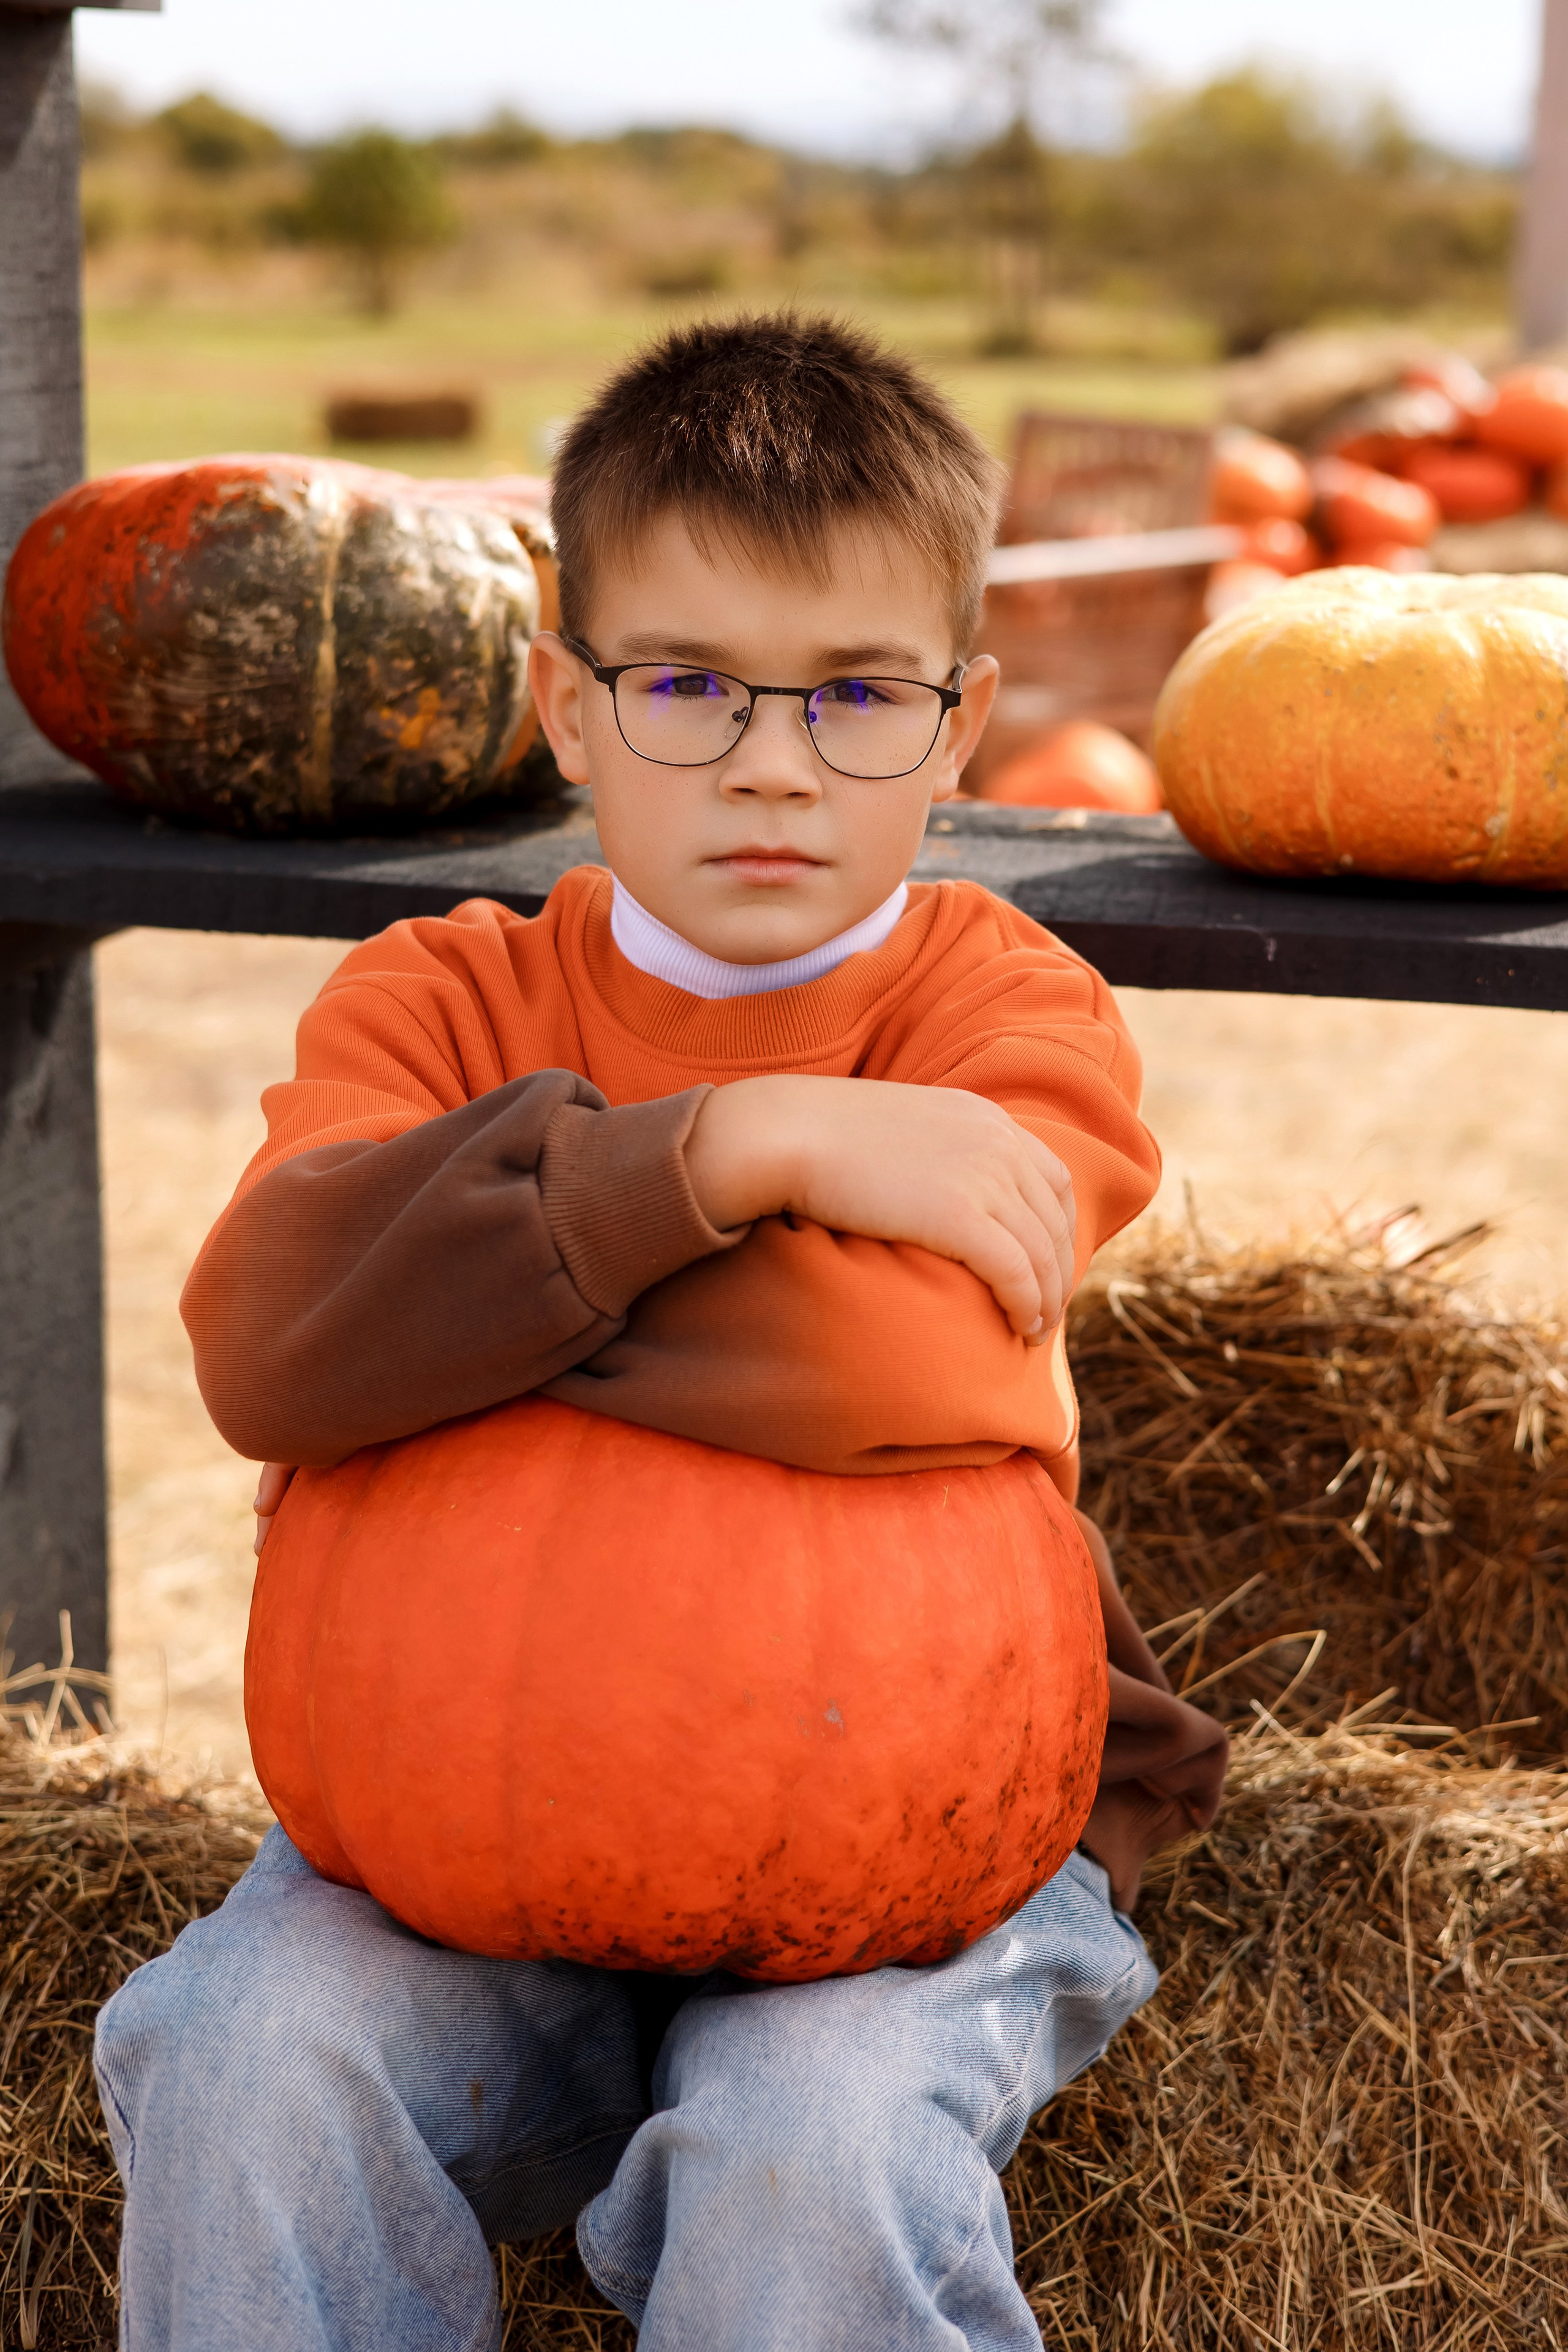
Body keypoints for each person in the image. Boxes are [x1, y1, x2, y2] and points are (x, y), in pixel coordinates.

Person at [95, 314, 1227, 2352]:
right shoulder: (436, 999)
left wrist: (448, 1305)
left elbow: (904, 1364)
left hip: (913, 1862)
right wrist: (736, 1150)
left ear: (963, 724)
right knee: (244, 2050)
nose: (775, 762)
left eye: (860, 693)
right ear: (565, 706)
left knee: (820, 2149)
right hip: (442, 1846)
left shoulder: (1007, 1015)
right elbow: (269, 1336)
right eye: (688, 685)